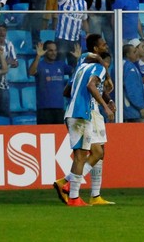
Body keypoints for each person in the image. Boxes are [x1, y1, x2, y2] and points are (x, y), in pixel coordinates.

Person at [54, 35, 115, 207]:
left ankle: (80, 191)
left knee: (96, 152)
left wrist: (105, 98)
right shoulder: (96, 67)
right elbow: (91, 86)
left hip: (79, 112)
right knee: (86, 155)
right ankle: (71, 192)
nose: (106, 45)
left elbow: (68, 90)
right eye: (103, 44)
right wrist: (105, 105)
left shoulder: (81, 66)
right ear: (96, 49)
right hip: (84, 113)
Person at [28, 40, 76, 124]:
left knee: (59, 135)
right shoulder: (40, 64)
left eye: (55, 50)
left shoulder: (61, 64)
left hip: (59, 108)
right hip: (43, 108)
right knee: (44, 134)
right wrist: (38, 56)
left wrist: (78, 59)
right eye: (50, 50)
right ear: (45, 51)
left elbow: (77, 72)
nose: (54, 53)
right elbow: (31, 72)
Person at [55, 0, 88, 64]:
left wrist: (88, 33)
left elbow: (84, 20)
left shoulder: (83, 3)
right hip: (62, 39)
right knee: (60, 64)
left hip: (76, 40)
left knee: (75, 65)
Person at [122, 43, 144, 122]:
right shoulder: (129, 67)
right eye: (134, 52)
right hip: (133, 111)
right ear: (128, 54)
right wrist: (141, 107)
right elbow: (132, 90)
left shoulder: (119, 65)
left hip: (125, 110)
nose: (137, 54)